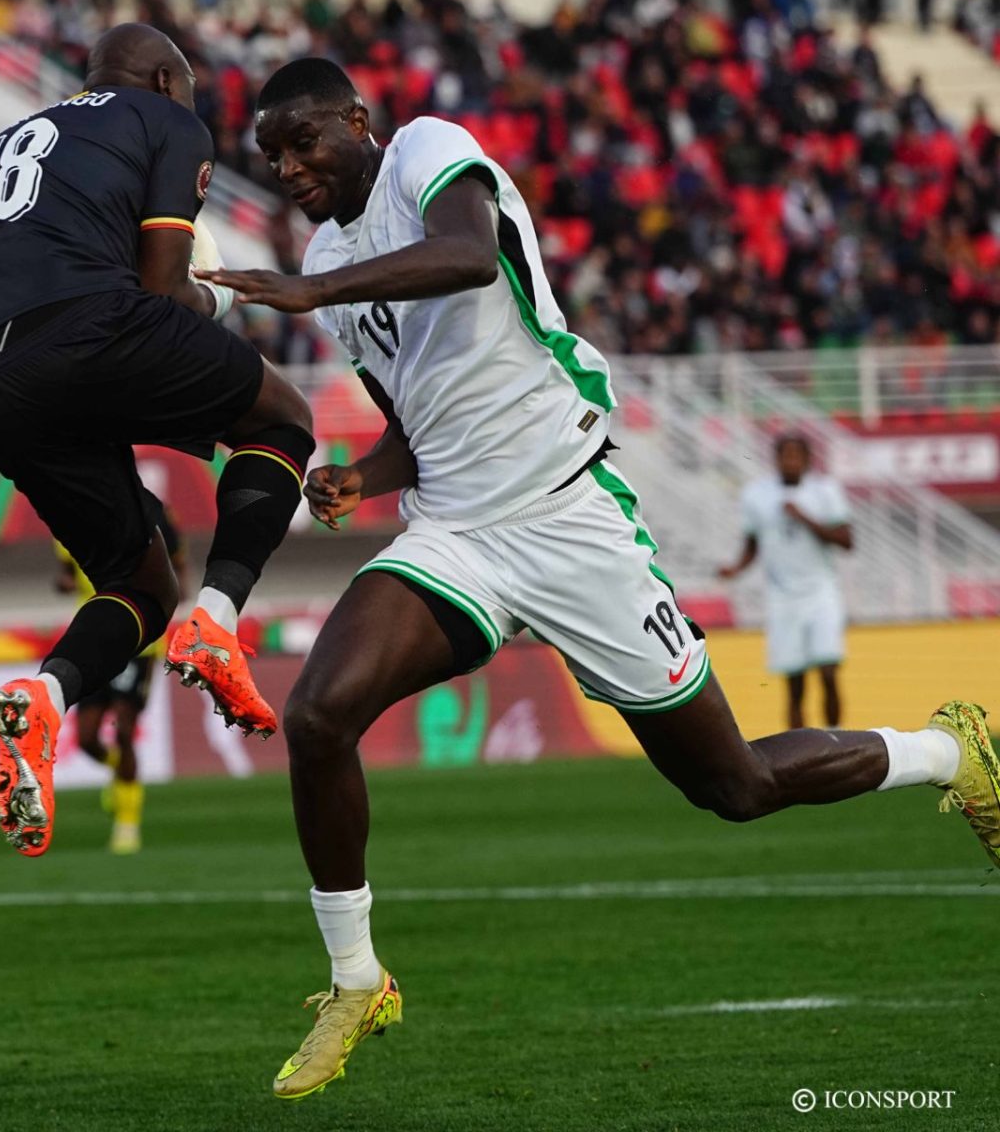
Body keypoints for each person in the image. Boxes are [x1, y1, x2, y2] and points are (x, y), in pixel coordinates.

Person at [202, 58, 999, 1102]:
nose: (290, 167)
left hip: (569, 515)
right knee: (318, 715)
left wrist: (311, 293)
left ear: (358, 119)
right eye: (272, 155)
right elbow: (412, 414)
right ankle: (357, 980)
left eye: (304, 141)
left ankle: (950, 751)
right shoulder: (324, 257)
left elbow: (467, 257)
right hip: (457, 532)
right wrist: (365, 472)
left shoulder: (428, 153)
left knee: (735, 786)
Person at [0, 23, 317, 857]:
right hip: (85, 327)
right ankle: (218, 621)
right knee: (283, 418)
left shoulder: (7, 140)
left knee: (139, 585)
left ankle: (45, 696)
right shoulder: (164, 117)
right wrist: (224, 299)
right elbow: (163, 289)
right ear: (166, 80)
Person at [53, 504, 187, 854]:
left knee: (124, 731)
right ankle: (120, 772)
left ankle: (127, 823)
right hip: (92, 639)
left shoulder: (147, 509)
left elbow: (177, 560)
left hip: (139, 641)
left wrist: (177, 587)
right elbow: (67, 571)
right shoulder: (66, 512)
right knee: (86, 739)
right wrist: (65, 582)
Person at [720, 434, 853, 729]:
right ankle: (801, 747)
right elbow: (752, 543)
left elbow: (846, 540)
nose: (791, 461)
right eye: (785, 455)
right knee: (794, 683)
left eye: (796, 455)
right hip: (782, 597)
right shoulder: (756, 494)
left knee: (828, 671)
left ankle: (837, 739)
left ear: (807, 459)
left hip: (821, 592)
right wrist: (735, 568)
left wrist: (805, 518)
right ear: (776, 459)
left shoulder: (825, 491)